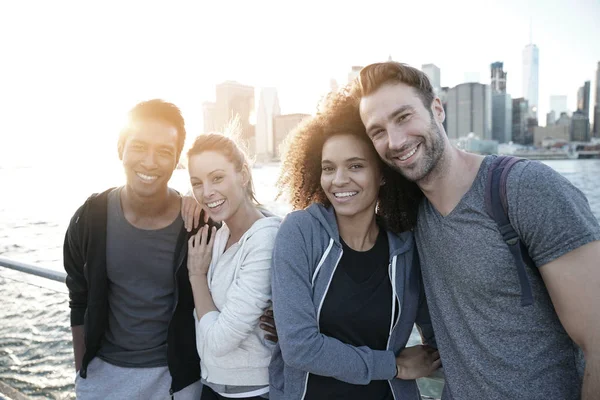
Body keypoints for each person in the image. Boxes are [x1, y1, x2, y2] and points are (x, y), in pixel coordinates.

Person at [355, 61, 600, 399]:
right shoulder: (411, 218)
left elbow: (597, 343)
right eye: (378, 131)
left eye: (403, 117)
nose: (395, 141)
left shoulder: (526, 189)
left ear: (436, 109)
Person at [63, 100, 275, 399]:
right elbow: (79, 298)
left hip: (179, 380)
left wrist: (281, 312)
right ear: (120, 148)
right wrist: (82, 371)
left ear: (176, 160)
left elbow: (253, 232)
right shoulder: (90, 217)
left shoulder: (198, 223)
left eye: (164, 152)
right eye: (139, 147)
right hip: (104, 377)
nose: (150, 162)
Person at [269, 90, 440, 400]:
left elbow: (438, 334)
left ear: (383, 175)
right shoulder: (300, 232)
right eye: (328, 168)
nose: (339, 180)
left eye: (356, 166)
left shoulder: (405, 247)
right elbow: (299, 348)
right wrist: (392, 366)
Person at [186, 132, 281, 400]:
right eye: (197, 183)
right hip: (214, 386)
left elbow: (219, 341)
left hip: (254, 392)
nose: (206, 192)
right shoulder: (221, 234)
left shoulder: (265, 239)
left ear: (243, 175)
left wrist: (196, 276)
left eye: (217, 178)